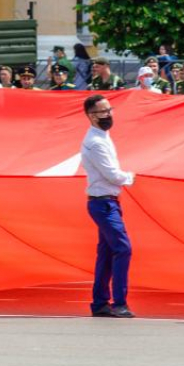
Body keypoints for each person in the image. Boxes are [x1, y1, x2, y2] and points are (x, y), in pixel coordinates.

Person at [81, 94, 136, 318]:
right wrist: (132, 177)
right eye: (102, 112)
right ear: (90, 116)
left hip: (108, 202)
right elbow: (112, 175)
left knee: (106, 253)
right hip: (103, 204)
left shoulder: (103, 136)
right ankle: (119, 303)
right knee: (123, 248)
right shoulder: (95, 142)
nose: (108, 114)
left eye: (109, 110)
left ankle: (100, 303)